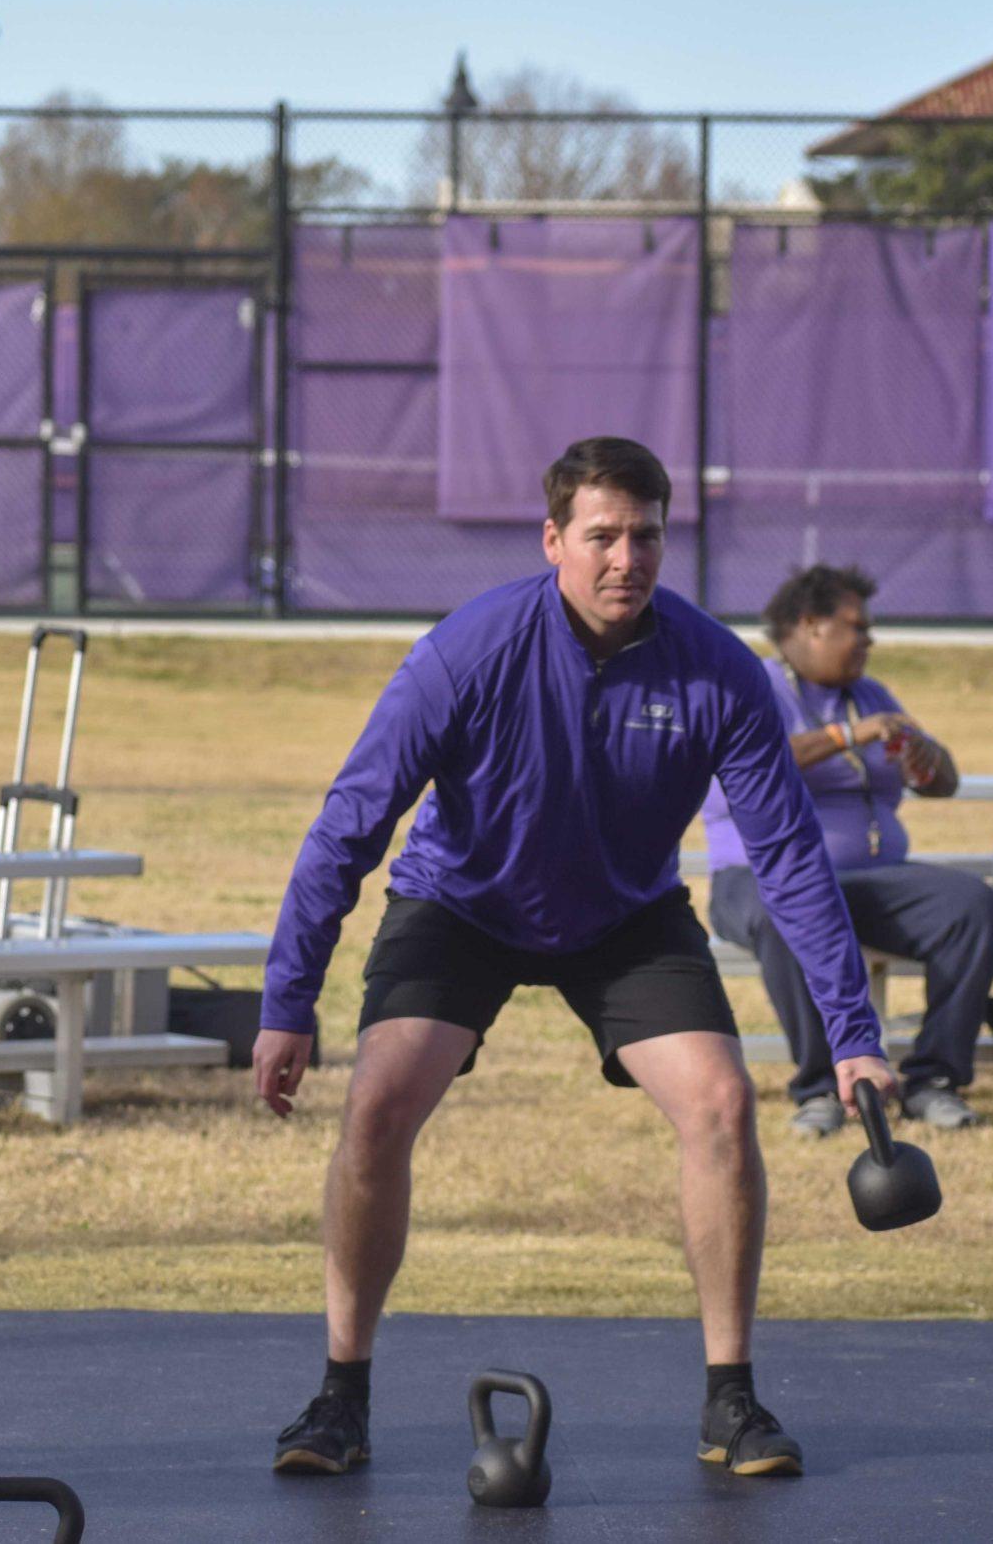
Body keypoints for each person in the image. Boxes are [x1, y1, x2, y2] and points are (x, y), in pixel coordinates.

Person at [255, 437, 896, 1484]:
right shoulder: (468, 651)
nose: (624, 559)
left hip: (625, 918)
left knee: (723, 1103)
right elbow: (349, 826)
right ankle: (341, 1395)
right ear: (553, 540)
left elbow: (786, 857)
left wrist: (854, 1039)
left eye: (644, 536)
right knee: (375, 1103)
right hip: (462, 905)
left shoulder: (718, 671)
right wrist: (286, 1003)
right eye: (600, 536)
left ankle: (731, 1399)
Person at [704, 564, 993, 1136]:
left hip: (870, 878)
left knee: (971, 905)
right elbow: (743, 767)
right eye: (856, 628)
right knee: (784, 912)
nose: (869, 640)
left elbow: (945, 782)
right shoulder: (753, 684)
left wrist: (928, 761)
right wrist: (847, 736)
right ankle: (821, 1088)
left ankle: (933, 1079)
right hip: (758, 879)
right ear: (810, 626)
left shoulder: (870, 694)